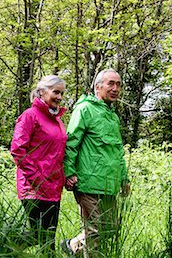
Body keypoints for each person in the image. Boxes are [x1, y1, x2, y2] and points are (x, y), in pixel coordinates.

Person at [61, 69, 130, 257]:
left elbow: (117, 151)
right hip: (88, 182)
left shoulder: (113, 116)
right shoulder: (84, 109)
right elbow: (71, 143)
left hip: (110, 184)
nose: (115, 88)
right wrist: (69, 172)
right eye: (111, 84)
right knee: (95, 232)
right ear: (98, 86)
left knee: (111, 229)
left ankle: (72, 245)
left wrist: (124, 179)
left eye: (118, 84)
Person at [10, 75, 67, 253]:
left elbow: (58, 153)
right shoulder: (29, 116)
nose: (59, 97)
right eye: (55, 92)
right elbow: (18, 150)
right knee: (39, 236)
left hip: (53, 187)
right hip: (34, 188)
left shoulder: (57, 120)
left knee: (48, 239)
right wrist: (38, 180)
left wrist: (65, 177)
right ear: (42, 92)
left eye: (62, 93)